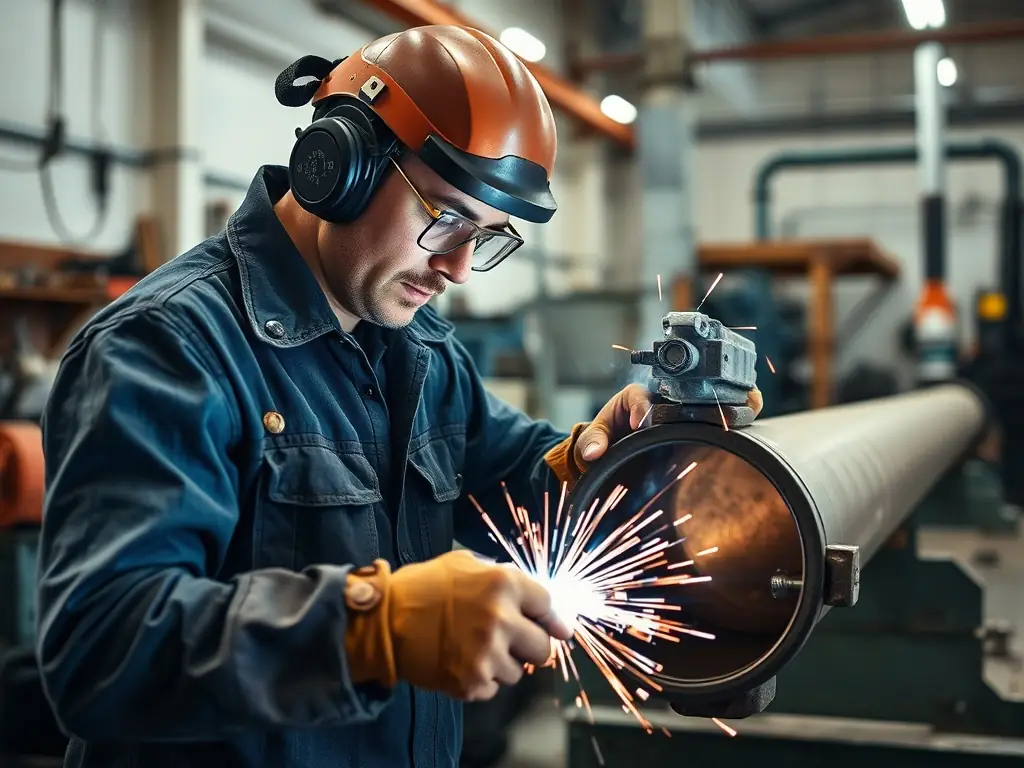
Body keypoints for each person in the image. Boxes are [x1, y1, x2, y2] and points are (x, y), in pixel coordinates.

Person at [34, 24, 762, 768]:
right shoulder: (169, 348)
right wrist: (370, 630)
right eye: (444, 217)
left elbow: (515, 488)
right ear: (335, 167)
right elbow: (100, 649)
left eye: (487, 236)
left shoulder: (422, 353)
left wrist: (609, 464)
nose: (459, 268)